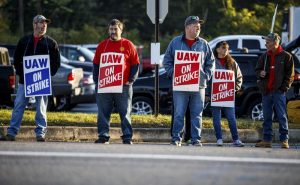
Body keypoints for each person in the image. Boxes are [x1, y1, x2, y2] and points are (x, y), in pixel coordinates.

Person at [0, 15, 61, 142]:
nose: (44, 25)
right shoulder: (24, 41)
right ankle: (11, 133)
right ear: (34, 25)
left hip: (42, 82)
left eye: (45, 23)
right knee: (18, 105)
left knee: (41, 108)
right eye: (41, 23)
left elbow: (56, 62)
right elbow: (16, 60)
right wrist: (23, 75)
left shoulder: (51, 43)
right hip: (24, 81)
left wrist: (49, 75)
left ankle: (40, 134)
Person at [163, 16, 215, 146]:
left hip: (199, 86)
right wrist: (174, 74)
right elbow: (167, 61)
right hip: (180, 86)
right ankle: (176, 138)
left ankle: (196, 139)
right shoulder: (175, 42)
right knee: (179, 113)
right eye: (195, 25)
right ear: (187, 27)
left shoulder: (204, 44)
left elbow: (211, 62)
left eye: (199, 25)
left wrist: (206, 76)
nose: (198, 27)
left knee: (197, 114)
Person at [93, 19, 140, 145]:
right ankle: (103, 136)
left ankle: (127, 137)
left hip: (123, 86)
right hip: (105, 85)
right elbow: (96, 64)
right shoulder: (102, 45)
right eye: (111, 29)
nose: (113, 32)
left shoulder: (128, 45)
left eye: (115, 29)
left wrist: (131, 80)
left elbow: (135, 64)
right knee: (103, 112)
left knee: (125, 113)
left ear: (121, 30)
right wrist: (96, 81)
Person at [255, 33, 294, 149]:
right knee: (267, 116)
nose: (266, 44)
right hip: (266, 92)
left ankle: (284, 140)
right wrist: (260, 73)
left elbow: (290, 75)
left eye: (268, 42)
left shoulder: (286, 56)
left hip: (279, 92)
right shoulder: (264, 56)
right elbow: (257, 70)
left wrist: (283, 88)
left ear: (275, 43)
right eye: (266, 41)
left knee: (282, 116)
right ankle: (267, 140)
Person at [210, 41, 244, 147]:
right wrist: (208, 93)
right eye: (223, 48)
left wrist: (234, 89)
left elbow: (239, 77)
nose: (226, 50)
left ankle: (236, 139)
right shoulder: (211, 61)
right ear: (217, 49)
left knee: (231, 117)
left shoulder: (232, 62)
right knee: (216, 118)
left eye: (227, 48)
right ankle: (219, 139)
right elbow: (207, 78)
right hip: (215, 95)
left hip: (228, 96)